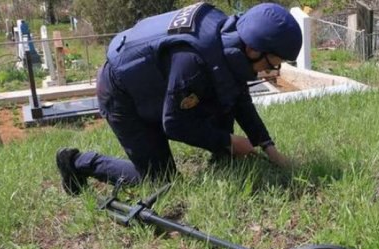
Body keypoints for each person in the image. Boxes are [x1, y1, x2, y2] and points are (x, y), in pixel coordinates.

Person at [56, 2, 302, 195]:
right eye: (272, 64)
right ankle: (78, 162)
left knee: (223, 100)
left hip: (160, 85)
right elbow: (175, 124)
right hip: (123, 95)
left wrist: (267, 146)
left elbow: (238, 96)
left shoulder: (228, 42)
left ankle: (223, 160)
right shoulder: (193, 61)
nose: (268, 71)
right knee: (160, 181)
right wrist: (229, 141)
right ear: (253, 49)